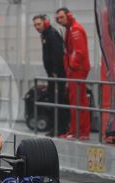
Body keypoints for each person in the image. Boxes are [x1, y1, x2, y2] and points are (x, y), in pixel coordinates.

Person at [56, 7, 91, 140]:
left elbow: (79, 52)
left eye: (61, 17)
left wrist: (71, 67)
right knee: (79, 101)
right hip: (76, 70)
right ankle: (81, 131)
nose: (59, 20)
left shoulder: (75, 29)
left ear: (68, 15)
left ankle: (77, 132)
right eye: (57, 18)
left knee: (76, 101)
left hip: (77, 71)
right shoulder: (71, 29)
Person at [32, 14, 69, 137]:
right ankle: (58, 128)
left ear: (45, 23)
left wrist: (55, 72)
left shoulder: (51, 34)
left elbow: (58, 54)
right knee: (54, 101)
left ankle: (61, 128)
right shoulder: (46, 34)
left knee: (57, 101)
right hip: (52, 75)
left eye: (38, 24)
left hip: (56, 75)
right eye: (35, 25)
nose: (36, 27)